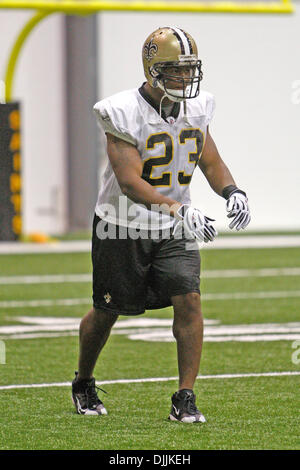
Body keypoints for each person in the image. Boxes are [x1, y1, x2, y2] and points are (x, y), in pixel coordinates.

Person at [71, 26, 251, 423]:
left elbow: (210, 160)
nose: (187, 78)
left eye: (191, 69)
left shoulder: (198, 107)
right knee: (107, 311)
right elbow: (130, 182)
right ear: (153, 70)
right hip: (120, 225)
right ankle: (83, 381)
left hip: (173, 225)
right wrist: (176, 207)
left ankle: (185, 396)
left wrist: (232, 191)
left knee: (189, 299)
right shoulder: (120, 111)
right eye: (177, 69)